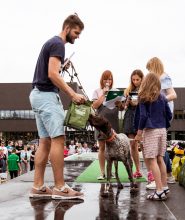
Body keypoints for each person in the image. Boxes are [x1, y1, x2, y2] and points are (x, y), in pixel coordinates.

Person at [29, 14, 86, 200]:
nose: (77, 37)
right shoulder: (58, 44)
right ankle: (60, 188)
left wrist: (61, 68)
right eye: (76, 32)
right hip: (46, 96)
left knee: (44, 142)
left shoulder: (52, 44)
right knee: (58, 139)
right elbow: (52, 74)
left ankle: (38, 186)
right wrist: (72, 94)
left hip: (37, 95)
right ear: (68, 27)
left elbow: (52, 71)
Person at [134, 73, 172, 201]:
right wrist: (164, 125)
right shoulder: (162, 97)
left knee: (152, 160)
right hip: (162, 130)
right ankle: (164, 187)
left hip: (151, 130)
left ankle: (159, 191)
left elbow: (143, 116)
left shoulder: (143, 97)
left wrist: (139, 133)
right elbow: (169, 114)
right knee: (160, 159)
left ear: (145, 83)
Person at [146, 57, 177, 188]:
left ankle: (161, 181)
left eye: (149, 69)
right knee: (161, 149)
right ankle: (168, 176)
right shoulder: (158, 78)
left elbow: (173, 94)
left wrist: (158, 99)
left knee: (159, 151)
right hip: (160, 113)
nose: (148, 71)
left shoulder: (163, 77)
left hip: (162, 114)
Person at [92, 70, 120, 180]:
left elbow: (121, 107)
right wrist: (103, 94)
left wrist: (120, 103)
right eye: (106, 79)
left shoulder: (116, 91)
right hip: (101, 122)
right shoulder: (97, 91)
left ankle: (111, 172)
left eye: (110, 79)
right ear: (102, 80)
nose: (108, 81)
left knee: (112, 148)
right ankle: (102, 172)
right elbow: (94, 105)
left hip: (113, 121)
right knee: (102, 147)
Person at [123, 69, 144, 178]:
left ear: (142, 79)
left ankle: (150, 171)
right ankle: (137, 170)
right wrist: (126, 102)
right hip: (130, 116)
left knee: (143, 145)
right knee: (133, 145)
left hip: (141, 115)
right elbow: (124, 107)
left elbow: (141, 103)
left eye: (137, 79)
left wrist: (137, 101)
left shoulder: (145, 89)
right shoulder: (128, 90)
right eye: (133, 79)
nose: (135, 81)